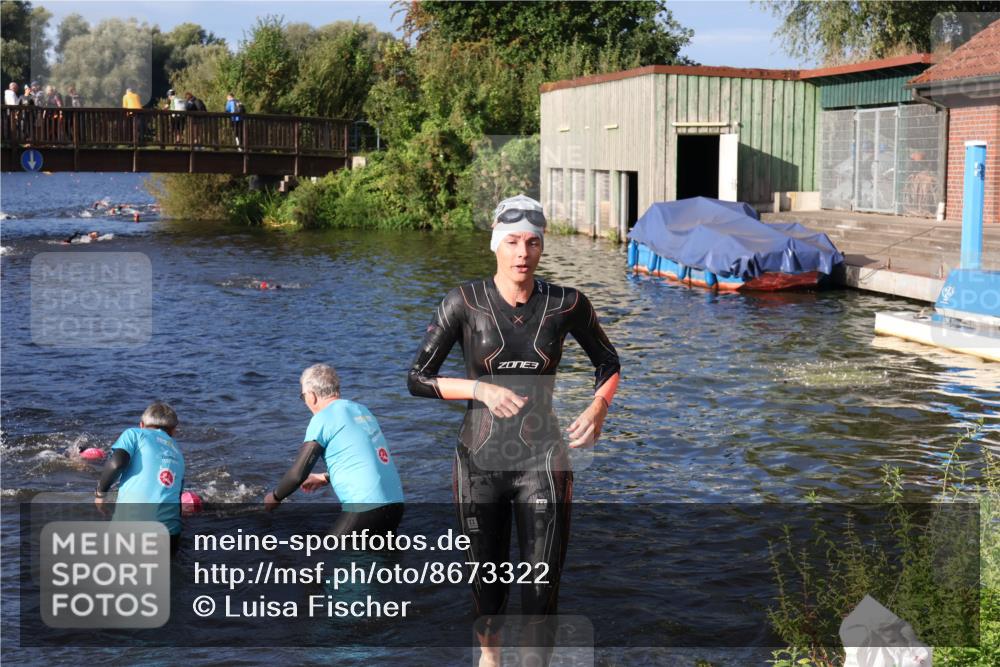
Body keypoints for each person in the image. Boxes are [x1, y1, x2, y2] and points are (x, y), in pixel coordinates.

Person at [407, 194, 621, 667]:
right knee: (486, 579)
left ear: (542, 247)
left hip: (543, 460)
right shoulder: (463, 302)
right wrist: (479, 390)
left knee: (543, 581)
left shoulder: (567, 304)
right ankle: (491, 659)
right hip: (478, 460)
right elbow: (417, 378)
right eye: (512, 241)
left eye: (532, 242)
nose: (522, 252)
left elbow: (608, 361)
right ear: (495, 246)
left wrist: (599, 407)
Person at [264, 364, 404, 537]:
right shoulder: (361, 410)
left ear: (312, 396)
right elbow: (367, 456)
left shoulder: (323, 418)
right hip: (396, 505)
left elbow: (297, 474)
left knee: (334, 556)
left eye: (303, 396)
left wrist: (275, 497)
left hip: (365, 507)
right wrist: (325, 477)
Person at [95, 402, 186, 556]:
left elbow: (116, 464)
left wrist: (100, 494)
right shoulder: (179, 453)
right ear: (173, 430)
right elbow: (177, 501)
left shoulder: (134, 434)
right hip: (170, 535)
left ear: (142, 424)